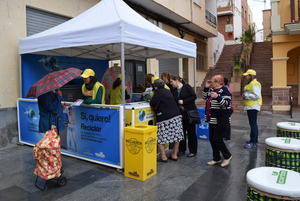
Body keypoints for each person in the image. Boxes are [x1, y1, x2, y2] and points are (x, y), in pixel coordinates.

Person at [150, 79, 184, 162]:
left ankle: (163, 156)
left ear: (155, 86)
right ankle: (174, 154)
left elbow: (152, 103)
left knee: (160, 136)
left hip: (164, 117)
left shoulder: (157, 92)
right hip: (176, 115)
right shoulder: (168, 91)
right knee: (177, 136)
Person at [203, 75, 232, 167]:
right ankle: (216, 158)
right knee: (212, 139)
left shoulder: (224, 90)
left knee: (218, 139)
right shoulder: (212, 90)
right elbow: (205, 98)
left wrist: (218, 97)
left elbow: (227, 104)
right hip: (212, 119)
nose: (211, 83)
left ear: (219, 82)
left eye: (212, 82)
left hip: (221, 119)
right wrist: (206, 88)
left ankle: (227, 156)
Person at [170, 75, 198, 157]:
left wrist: (184, 101)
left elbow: (194, 97)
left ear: (176, 80)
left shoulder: (187, 87)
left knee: (191, 133)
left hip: (189, 113)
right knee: (181, 133)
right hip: (180, 114)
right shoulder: (173, 90)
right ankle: (182, 150)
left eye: (172, 81)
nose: (171, 83)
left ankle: (193, 151)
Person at [242, 69, 262, 149]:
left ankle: (254, 142)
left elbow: (257, 96)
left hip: (254, 106)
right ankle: (252, 140)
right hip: (250, 106)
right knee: (252, 124)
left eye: (247, 75)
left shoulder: (255, 84)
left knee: (253, 124)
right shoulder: (249, 84)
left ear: (251, 76)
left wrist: (247, 96)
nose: (246, 77)